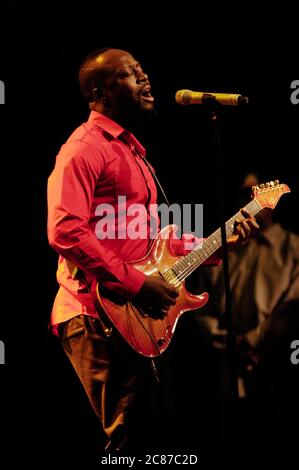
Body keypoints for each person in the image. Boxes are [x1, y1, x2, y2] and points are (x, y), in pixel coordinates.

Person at [47, 48, 259, 451]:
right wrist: (137, 285)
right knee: (134, 443)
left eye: (142, 71)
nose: (145, 79)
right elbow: (65, 230)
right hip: (98, 314)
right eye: (130, 74)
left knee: (157, 440)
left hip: (137, 319)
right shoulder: (84, 148)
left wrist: (220, 242)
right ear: (100, 91)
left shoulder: (133, 152)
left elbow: (154, 244)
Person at [192, 173, 299, 439]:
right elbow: (200, 306)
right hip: (229, 371)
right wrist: (230, 342)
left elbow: (293, 306)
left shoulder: (293, 247)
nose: (247, 200)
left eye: (252, 193)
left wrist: (256, 340)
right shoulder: (221, 252)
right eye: (242, 194)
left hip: (278, 369)